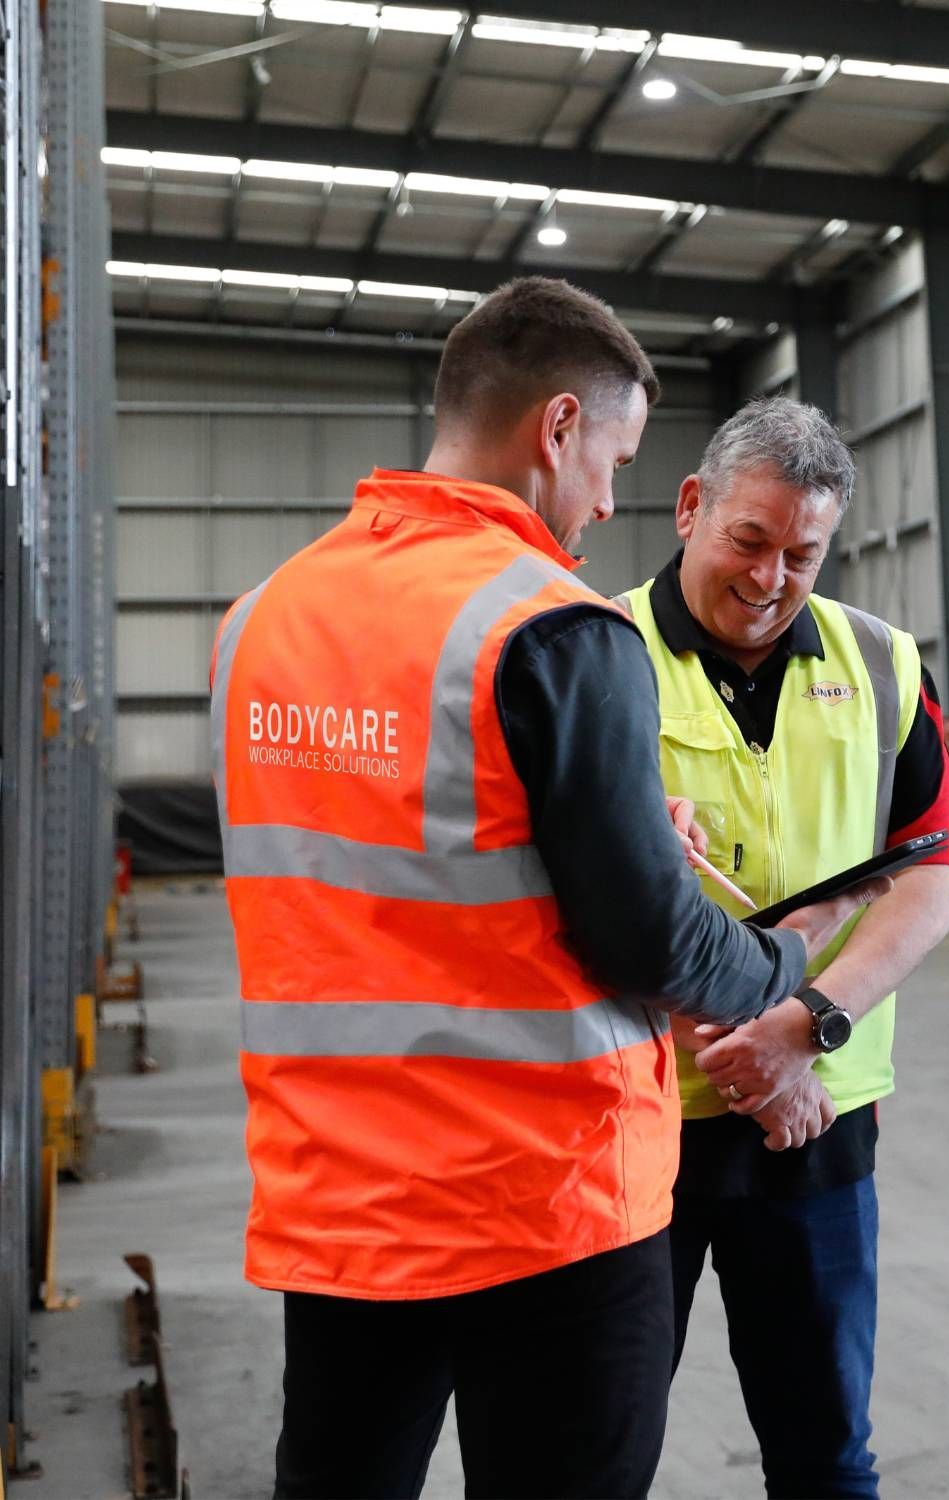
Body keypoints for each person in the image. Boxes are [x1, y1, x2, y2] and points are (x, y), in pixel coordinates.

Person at [210, 281, 883, 1500]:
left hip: (341, 1204)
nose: (608, 501)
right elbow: (650, 938)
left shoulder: (260, 621)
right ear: (557, 427)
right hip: (541, 1203)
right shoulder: (553, 625)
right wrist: (785, 962)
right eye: (615, 459)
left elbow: (387, 860)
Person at [616, 397, 949, 1500]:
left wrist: (803, 1033)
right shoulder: (594, 654)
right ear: (689, 509)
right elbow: (563, 896)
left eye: (802, 555)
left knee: (824, 1452)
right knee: (591, 1454)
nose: (771, 579)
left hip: (816, 1122)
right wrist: (738, 1047)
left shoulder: (883, 664)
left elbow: (928, 880)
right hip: (632, 1124)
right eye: (749, 541)